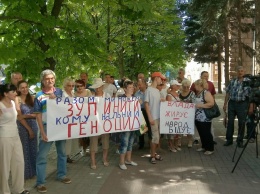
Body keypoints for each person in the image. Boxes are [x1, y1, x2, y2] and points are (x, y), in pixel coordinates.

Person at [34, 70, 71, 193]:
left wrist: (56, 100)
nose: (50, 81)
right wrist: (42, 132)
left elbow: (67, 108)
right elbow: (38, 115)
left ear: (54, 79)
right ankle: (40, 182)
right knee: (42, 156)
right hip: (47, 127)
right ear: (43, 81)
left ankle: (62, 175)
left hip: (60, 126)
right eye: (47, 79)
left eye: (52, 78)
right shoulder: (38, 95)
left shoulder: (60, 92)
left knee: (62, 153)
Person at [0, 83, 29, 194]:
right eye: (13, 92)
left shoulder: (13, 102)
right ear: (5, 94)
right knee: (4, 166)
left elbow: (19, 116)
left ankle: (19, 189)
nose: (16, 93)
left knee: (19, 162)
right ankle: (4, 191)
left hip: (15, 136)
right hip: (4, 138)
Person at [223, 66, 251, 148]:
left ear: (244, 72)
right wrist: (225, 104)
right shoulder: (233, 81)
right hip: (232, 103)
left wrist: (250, 106)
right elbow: (228, 93)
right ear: (237, 72)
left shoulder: (248, 82)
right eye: (239, 71)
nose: (240, 72)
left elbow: (250, 95)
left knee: (241, 123)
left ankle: (240, 141)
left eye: (242, 71)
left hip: (242, 104)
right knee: (230, 122)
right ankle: (229, 140)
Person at [15, 80, 38, 179]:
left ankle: (34, 172)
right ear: (18, 89)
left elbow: (37, 114)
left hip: (34, 125)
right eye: (22, 87)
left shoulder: (32, 98)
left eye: (26, 87)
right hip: (23, 127)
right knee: (24, 150)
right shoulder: (17, 99)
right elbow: (19, 117)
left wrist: (26, 115)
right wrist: (29, 129)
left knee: (33, 149)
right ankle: (25, 174)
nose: (25, 89)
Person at [88, 78, 110, 169]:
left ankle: (105, 159)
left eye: (99, 87)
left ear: (102, 87)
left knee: (105, 141)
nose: (97, 89)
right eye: (96, 87)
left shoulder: (107, 95)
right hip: (94, 122)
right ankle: (93, 161)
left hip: (105, 122)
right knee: (93, 142)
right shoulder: (91, 97)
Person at [145, 72, 165, 164]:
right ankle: (152, 155)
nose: (161, 80)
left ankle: (154, 153)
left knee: (157, 137)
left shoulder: (157, 90)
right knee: (155, 137)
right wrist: (150, 117)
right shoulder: (148, 90)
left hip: (159, 116)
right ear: (156, 78)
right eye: (160, 78)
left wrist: (162, 101)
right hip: (153, 117)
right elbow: (146, 104)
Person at [119, 80, 138, 170]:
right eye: (130, 87)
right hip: (125, 124)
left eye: (132, 87)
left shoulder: (134, 98)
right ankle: (121, 162)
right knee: (124, 142)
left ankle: (128, 160)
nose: (132, 89)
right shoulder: (121, 99)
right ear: (125, 89)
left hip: (133, 123)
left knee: (131, 142)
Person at [194, 79, 215, 155]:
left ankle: (210, 148)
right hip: (198, 117)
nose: (194, 86)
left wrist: (201, 105)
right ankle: (204, 146)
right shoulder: (198, 93)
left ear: (200, 85)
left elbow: (211, 103)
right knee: (201, 133)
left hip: (204, 117)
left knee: (206, 133)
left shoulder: (206, 93)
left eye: (195, 85)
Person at [74, 79, 92, 156]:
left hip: (89, 116)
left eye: (81, 86)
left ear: (84, 86)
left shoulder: (88, 92)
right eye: (77, 86)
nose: (80, 88)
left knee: (88, 133)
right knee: (81, 135)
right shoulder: (73, 94)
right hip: (78, 117)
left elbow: (92, 102)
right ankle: (83, 149)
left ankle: (88, 148)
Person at [134, 79, 152, 149]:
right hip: (141, 112)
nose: (139, 86)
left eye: (140, 85)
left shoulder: (149, 92)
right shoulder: (136, 94)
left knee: (150, 128)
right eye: (138, 85)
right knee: (142, 128)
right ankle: (141, 143)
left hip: (149, 112)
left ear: (145, 84)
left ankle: (151, 143)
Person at [62, 78, 76, 163]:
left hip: (72, 119)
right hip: (64, 119)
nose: (71, 87)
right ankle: (64, 156)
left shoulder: (73, 94)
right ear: (65, 86)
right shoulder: (62, 95)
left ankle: (67, 155)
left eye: (72, 86)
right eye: (69, 85)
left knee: (69, 138)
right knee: (64, 139)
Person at [166, 80, 182, 152]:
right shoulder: (169, 95)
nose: (178, 86)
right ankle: (171, 146)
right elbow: (168, 106)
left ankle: (175, 145)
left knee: (177, 132)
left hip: (177, 116)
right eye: (176, 85)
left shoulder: (177, 94)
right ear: (173, 86)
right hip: (171, 116)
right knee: (171, 132)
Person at [179, 79, 196, 148]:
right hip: (180, 114)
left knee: (188, 127)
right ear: (182, 86)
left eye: (187, 87)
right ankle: (179, 141)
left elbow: (194, 103)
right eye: (184, 86)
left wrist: (186, 104)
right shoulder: (179, 92)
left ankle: (190, 141)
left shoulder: (192, 93)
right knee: (180, 127)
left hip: (189, 114)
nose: (186, 88)